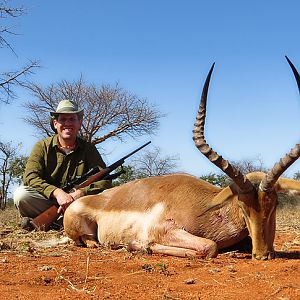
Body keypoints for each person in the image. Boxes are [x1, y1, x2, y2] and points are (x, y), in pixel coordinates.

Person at [13, 100, 112, 228]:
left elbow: (104, 180)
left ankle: (59, 223)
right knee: (21, 195)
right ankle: (65, 222)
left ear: (79, 123)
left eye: (72, 119)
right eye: (63, 119)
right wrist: (57, 193)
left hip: (78, 203)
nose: (67, 123)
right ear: (55, 124)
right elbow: (30, 177)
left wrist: (81, 193)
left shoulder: (89, 149)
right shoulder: (42, 146)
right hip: (48, 201)